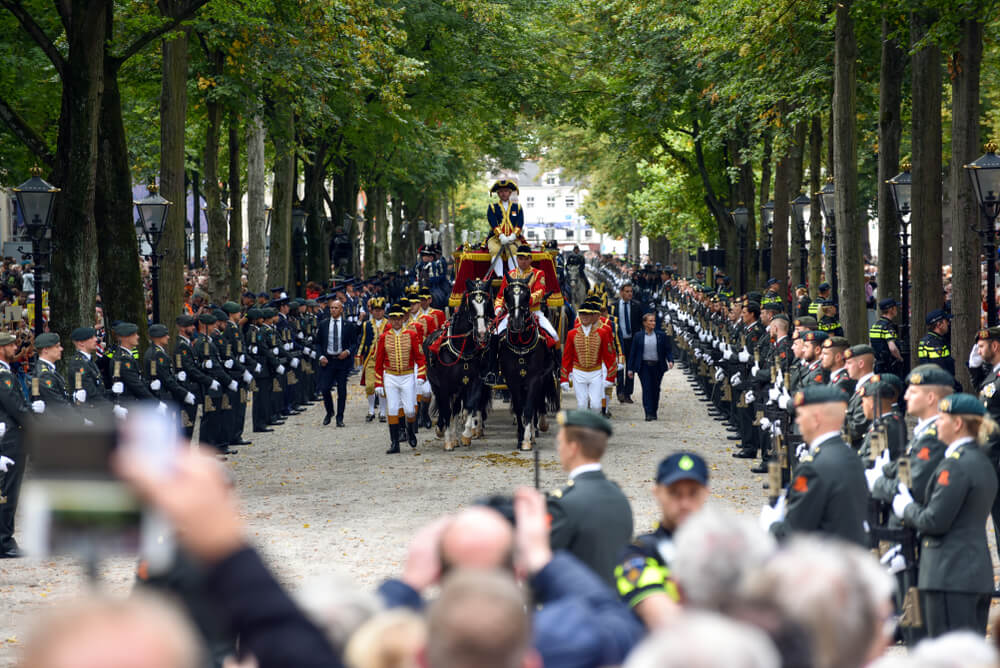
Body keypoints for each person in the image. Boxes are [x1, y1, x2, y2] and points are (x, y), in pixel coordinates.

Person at [376, 487, 644, 668]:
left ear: (436, 573)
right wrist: (541, 557)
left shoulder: (400, 646)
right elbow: (615, 620)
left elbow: (356, 635)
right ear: (518, 570)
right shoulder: (555, 641)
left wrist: (408, 583)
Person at [891, 393, 998, 637]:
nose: (937, 423)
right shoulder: (981, 461)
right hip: (973, 573)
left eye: (941, 418)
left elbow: (934, 521)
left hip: (949, 576)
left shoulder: (956, 465)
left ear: (957, 424)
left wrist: (905, 507)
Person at [613, 451, 709, 629]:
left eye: (693, 493)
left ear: (706, 493)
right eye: (674, 493)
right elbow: (663, 618)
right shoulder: (637, 554)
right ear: (657, 493)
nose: (684, 503)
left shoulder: (723, 549)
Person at [763, 386, 868, 546]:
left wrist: (771, 525)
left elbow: (794, 533)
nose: (797, 421)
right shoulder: (850, 455)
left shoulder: (812, 467)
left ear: (816, 419)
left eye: (800, 415)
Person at [547, 409, 633, 586]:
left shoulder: (564, 503)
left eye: (560, 443)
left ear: (573, 448)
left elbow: (547, 564)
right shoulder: (619, 497)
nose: (558, 449)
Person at [374, 302, 426, 453]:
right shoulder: (384, 337)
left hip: (407, 375)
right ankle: (394, 443)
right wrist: (378, 383)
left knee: (410, 410)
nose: (396, 321)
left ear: (403, 319)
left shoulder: (412, 335)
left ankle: (410, 430)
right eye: (393, 318)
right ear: (389, 320)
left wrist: (421, 374)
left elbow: (420, 357)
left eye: (399, 318)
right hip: (390, 376)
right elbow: (379, 362)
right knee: (393, 409)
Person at [493, 245, 559, 343]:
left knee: (554, 335)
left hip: (534, 312)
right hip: (512, 313)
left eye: (526, 259)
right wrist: (498, 307)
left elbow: (540, 292)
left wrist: (524, 300)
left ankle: (555, 358)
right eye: (521, 258)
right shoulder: (510, 275)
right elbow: (501, 296)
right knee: (494, 335)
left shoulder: (538, 273)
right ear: (517, 259)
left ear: (531, 259)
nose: (523, 261)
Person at [560, 299, 617, 412]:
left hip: (596, 373)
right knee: (582, 405)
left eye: (587, 314)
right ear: (579, 316)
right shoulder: (572, 334)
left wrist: (610, 377)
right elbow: (567, 357)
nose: (585, 316)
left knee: (596, 405)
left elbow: (609, 356)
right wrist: (564, 378)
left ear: (593, 316)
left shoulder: (602, 333)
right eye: (582, 314)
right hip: (578, 373)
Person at [0, 332, 28, 558]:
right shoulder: (3, 375)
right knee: (7, 491)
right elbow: (16, 408)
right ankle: (4, 541)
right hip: (8, 438)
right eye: (10, 345)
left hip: (8, 436)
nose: (14, 347)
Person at [315, 300, 359, 427]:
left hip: (342, 361)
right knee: (324, 388)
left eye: (336, 308)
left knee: (342, 390)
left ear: (341, 310)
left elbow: (354, 343)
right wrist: (321, 356)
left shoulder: (348, 325)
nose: (333, 310)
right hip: (328, 361)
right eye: (331, 308)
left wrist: (348, 351)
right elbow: (317, 343)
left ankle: (340, 417)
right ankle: (330, 412)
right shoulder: (323, 324)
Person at [627, 312, 673, 421]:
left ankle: (654, 410)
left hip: (657, 366)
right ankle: (648, 412)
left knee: (655, 389)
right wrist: (630, 368)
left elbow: (667, 350)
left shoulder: (660, 335)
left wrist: (670, 360)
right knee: (647, 388)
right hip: (644, 366)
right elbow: (633, 353)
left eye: (654, 321)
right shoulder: (638, 336)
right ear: (644, 323)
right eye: (650, 321)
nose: (653, 323)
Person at [67, 326, 110, 419]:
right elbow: (91, 392)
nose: (96, 340)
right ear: (81, 343)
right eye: (91, 337)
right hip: (91, 412)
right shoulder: (78, 363)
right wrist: (112, 408)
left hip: (98, 410)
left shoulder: (87, 360)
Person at [486, 179, 525, 278]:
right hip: (496, 238)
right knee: (495, 250)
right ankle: (499, 276)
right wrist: (501, 236)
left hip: (513, 238)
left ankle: (514, 276)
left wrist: (513, 235)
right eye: (501, 192)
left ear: (510, 192)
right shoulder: (492, 207)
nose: (504, 194)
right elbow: (493, 223)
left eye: (506, 191)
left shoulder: (518, 207)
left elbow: (520, 223)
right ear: (498, 193)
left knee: (514, 251)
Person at [610, 283, 642, 404]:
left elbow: (640, 324)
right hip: (619, 341)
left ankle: (628, 392)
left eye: (631, 291)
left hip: (632, 340)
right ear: (621, 292)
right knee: (619, 366)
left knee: (630, 367)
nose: (629, 294)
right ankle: (620, 392)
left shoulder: (636, 306)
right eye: (627, 291)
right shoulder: (614, 307)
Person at [32, 332, 70, 411]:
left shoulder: (48, 369)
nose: (61, 349)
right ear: (45, 350)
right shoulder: (45, 374)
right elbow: (58, 405)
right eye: (57, 346)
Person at [869, 298, 904, 374]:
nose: (896, 310)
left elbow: (871, 345)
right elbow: (892, 348)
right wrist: (900, 358)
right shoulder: (888, 327)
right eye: (895, 308)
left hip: (878, 365)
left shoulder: (875, 326)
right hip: (889, 366)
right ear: (891, 309)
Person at [917, 309, 955, 378]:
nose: (948, 324)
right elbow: (939, 370)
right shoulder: (934, 344)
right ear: (939, 325)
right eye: (946, 321)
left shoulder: (926, 340)